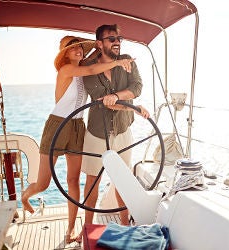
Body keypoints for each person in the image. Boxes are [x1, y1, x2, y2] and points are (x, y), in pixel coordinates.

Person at [21, 35, 135, 244]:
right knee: (44, 184)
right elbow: (92, 70)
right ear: (64, 53)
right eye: (72, 48)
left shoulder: (83, 67)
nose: (79, 50)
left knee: (73, 180)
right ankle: (25, 196)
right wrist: (119, 61)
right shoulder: (66, 70)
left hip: (77, 126)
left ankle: (70, 230)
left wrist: (109, 43)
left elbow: (95, 59)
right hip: (57, 125)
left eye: (81, 47)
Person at [81, 24, 148, 229]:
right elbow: (102, 100)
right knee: (93, 182)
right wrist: (132, 107)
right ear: (99, 44)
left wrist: (118, 96)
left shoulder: (127, 60)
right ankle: (87, 228)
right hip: (97, 133)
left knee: (123, 180)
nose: (117, 42)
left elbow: (136, 87)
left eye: (119, 38)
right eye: (111, 39)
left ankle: (125, 226)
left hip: (122, 131)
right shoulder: (88, 67)